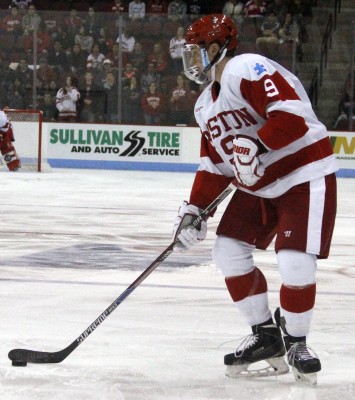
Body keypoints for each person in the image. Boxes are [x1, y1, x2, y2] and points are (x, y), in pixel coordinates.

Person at [173, 14, 338, 384]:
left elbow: (292, 116)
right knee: (227, 251)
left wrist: (258, 142)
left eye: (195, 53)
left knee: (295, 261)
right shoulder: (204, 106)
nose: (190, 62)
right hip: (260, 185)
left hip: (302, 174)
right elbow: (216, 166)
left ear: (215, 49)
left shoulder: (247, 68)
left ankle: (297, 341)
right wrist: (195, 209)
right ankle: (266, 336)